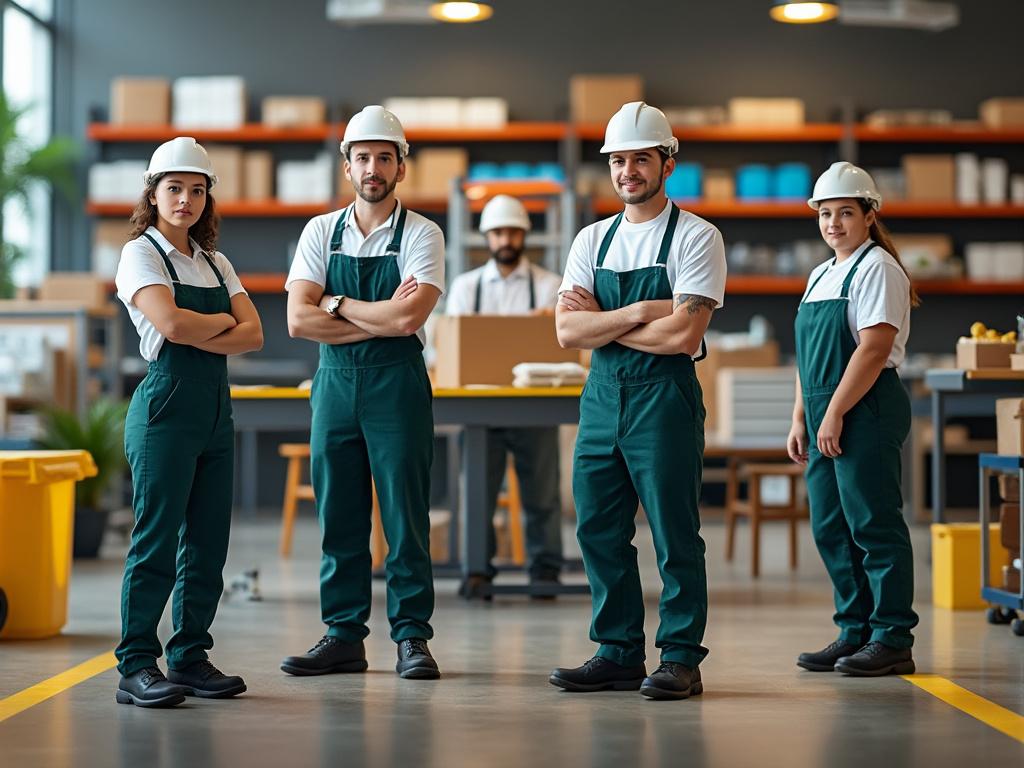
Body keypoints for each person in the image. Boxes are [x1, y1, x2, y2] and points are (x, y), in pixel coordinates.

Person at [550, 102, 726, 700]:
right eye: (618, 159)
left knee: (675, 533)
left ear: (667, 162)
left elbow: (683, 336)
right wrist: (640, 312)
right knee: (598, 529)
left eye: (641, 158)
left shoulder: (698, 237)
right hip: (601, 400)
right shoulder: (591, 239)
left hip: (664, 401)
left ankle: (680, 656)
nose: (628, 170)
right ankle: (619, 650)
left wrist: (602, 319)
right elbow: (567, 333)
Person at [282, 106, 445, 680]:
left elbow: (409, 321)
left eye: (384, 157)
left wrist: (336, 302)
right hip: (334, 385)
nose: (372, 167)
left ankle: (411, 638)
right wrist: (377, 313)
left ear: (401, 165)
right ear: (346, 164)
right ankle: (344, 635)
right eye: (362, 157)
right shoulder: (319, 231)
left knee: (405, 514)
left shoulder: (424, 233)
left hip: (396, 382)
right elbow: (297, 321)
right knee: (339, 514)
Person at [114, 137, 264, 707]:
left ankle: (189, 657)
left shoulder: (214, 261)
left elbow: (256, 334)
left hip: (215, 412)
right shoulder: (140, 254)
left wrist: (210, 323)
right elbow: (171, 328)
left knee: (207, 544)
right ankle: (135, 665)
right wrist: (222, 318)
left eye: (197, 190)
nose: (185, 200)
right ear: (153, 195)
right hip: (165, 410)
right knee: (154, 541)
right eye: (174, 188)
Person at [788, 161, 920, 677]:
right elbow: (807, 358)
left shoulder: (878, 269)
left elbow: (873, 348)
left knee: (874, 522)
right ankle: (855, 629)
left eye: (845, 212)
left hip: (866, 407)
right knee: (830, 525)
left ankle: (891, 637)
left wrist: (836, 411)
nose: (833, 223)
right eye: (825, 213)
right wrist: (802, 416)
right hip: (825, 411)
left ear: (869, 216)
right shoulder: (821, 274)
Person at [446, 194, 564, 597]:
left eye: (512, 231)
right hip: (480, 407)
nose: (506, 239)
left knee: (543, 493)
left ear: (524, 234)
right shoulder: (465, 288)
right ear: (487, 237)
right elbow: (448, 344)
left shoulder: (551, 288)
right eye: (498, 232)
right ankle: (477, 569)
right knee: (476, 492)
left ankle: (545, 570)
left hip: (535, 405)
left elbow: (562, 344)